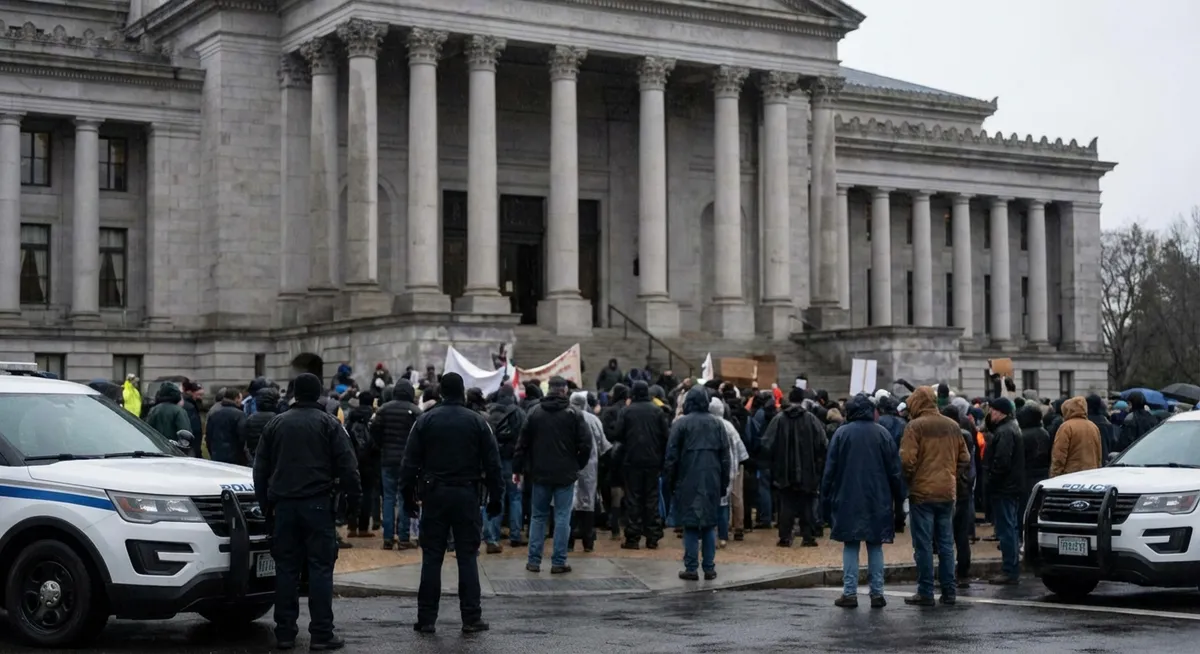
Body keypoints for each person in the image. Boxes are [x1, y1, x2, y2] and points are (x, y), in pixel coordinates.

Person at [253, 372, 360, 651]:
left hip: (283, 506)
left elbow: (260, 470)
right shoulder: (329, 423)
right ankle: (322, 633)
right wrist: (353, 504)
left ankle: (285, 632)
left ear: (294, 394)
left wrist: (266, 506)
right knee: (320, 569)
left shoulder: (276, 424)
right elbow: (349, 467)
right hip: (318, 503)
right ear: (318, 394)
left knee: (286, 569)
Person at [398, 372, 502, 634]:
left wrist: (407, 496)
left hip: (434, 493)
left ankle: (426, 618)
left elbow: (409, 462)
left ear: (441, 393)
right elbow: (493, 463)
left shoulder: (425, 421)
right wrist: (496, 497)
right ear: (462, 392)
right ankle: (471, 617)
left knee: (432, 557)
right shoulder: (477, 422)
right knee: (467, 556)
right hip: (466, 492)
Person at [820, 393, 903, 609]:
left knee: (850, 544)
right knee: (875, 545)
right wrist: (899, 499)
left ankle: (850, 593)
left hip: (848, 496)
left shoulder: (842, 433)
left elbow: (830, 470)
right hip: (878, 497)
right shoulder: (882, 433)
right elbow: (895, 471)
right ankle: (877, 593)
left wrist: (825, 497)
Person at [899, 387, 971, 606]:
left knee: (923, 545)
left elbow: (906, 460)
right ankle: (949, 591)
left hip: (922, 492)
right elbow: (965, 458)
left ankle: (926, 591)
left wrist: (911, 479)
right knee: (946, 544)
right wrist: (951, 474)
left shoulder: (915, 426)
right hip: (947, 491)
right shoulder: (952, 426)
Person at [513, 376, 592, 574]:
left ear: (548, 389)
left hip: (540, 472)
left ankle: (534, 560)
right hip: (565, 473)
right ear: (564, 390)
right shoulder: (573, 413)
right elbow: (586, 444)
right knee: (563, 516)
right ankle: (559, 561)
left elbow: (522, 443)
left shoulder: (535, 412)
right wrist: (577, 465)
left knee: (538, 516)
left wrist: (518, 468)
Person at [664, 387, 731, 581]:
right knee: (709, 524)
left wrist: (670, 481)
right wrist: (724, 482)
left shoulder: (681, 424)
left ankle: (691, 567)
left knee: (691, 525)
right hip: (712, 478)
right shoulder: (717, 424)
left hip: (687, 478)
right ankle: (709, 567)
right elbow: (725, 457)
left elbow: (671, 457)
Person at [760, 387, 827, 548]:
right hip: (808, 469)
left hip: (783, 469)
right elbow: (823, 443)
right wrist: (818, 461)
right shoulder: (811, 419)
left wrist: (773, 461)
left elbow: (767, 443)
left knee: (786, 504)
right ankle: (808, 536)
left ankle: (785, 537)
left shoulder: (779, 419)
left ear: (789, 399)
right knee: (807, 504)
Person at [612, 380, 670, 550]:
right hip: (653, 461)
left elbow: (618, 434)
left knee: (633, 498)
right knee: (652, 498)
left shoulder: (626, 411)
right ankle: (652, 536)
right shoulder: (657, 411)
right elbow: (665, 436)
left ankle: (633, 537)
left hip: (632, 460)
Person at [371, 379, 421, 550]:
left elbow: (374, 430)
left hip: (387, 459)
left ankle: (387, 537)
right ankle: (404, 538)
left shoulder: (383, 410)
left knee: (388, 498)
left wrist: (381, 445)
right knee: (404, 497)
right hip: (407, 461)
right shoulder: (415, 411)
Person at [984, 397, 1025, 585]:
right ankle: (1011, 567)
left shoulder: (1005, 431)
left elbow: (1001, 462)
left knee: (1006, 529)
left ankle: (1010, 569)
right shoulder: (1011, 428)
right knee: (1010, 527)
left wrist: (991, 480)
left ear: (1000, 412)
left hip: (1004, 487)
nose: (990, 413)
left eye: (992, 410)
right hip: (1011, 486)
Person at [484, 384, 526, 551]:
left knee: (496, 496)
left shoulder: (490, 414)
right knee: (515, 497)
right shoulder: (518, 413)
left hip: (495, 462)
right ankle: (515, 534)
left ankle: (492, 538)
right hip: (513, 462)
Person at [569, 391, 612, 552]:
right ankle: (588, 542)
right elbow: (603, 445)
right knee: (587, 503)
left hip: (569, 467)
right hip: (589, 467)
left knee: (569, 502)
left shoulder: (565, 417)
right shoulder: (593, 420)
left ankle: (568, 542)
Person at [709, 396, 749, 547]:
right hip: (730, 469)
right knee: (724, 503)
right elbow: (741, 450)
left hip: (711, 469)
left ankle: (711, 534)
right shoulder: (729, 426)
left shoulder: (707, 425)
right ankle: (723, 535)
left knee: (711, 502)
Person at [344, 391, 378, 539]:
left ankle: (352, 526)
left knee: (353, 493)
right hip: (369, 462)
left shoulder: (352, 416)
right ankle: (363, 528)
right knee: (368, 494)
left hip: (353, 461)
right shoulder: (374, 417)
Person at [1050, 396, 1103, 477]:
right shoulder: (1093, 426)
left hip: (1071, 474)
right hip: (1091, 473)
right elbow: (1098, 454)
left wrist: (1055, 474)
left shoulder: (1066, 427)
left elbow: (1059, 455)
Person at [240, 386, 281, 467]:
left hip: (254, 456)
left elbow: (246, 440)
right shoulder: (277, 419)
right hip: (272, 459)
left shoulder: (250, 419)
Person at [206, 387, 248, 465]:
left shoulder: (214, 414)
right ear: (236, 398)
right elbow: (243, 437)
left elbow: (209, 436)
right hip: (235, 456)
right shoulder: (239, 415)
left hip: (217, 455)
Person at [181, 381, 205, 457]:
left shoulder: (192, 404)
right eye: (198, 394)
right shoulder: (189, 407)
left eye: (202, 395)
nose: (200, 397)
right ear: (190, 392)